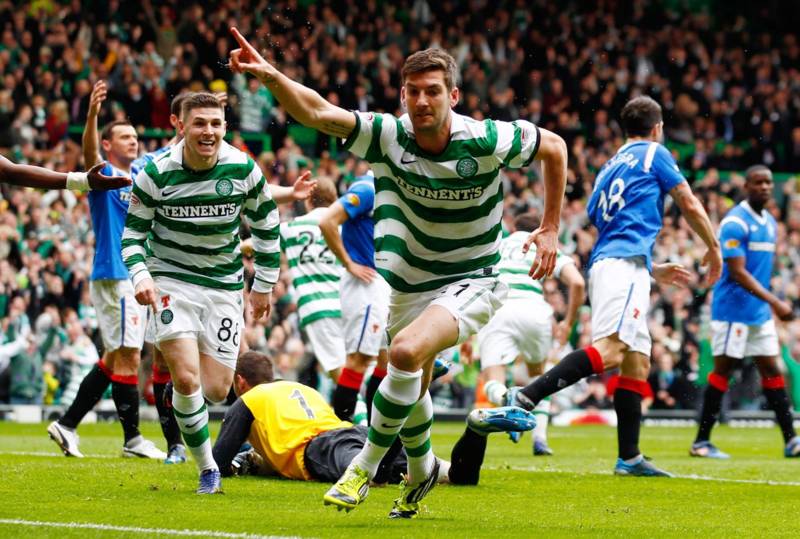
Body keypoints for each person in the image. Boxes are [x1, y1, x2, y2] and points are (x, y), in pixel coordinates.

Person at [229, 28, 567, 518]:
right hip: (408, 285)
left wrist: (551, 227)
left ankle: (362, 468)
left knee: (404, 353)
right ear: (403, 95)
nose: (423, 101)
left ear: (453, 96)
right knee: (414, 385)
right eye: (414, 92)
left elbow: (554, 146)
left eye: (433, 91)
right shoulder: (388, 135)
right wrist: (270, 76)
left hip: (474, 276)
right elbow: (319, 112)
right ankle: (423, 465)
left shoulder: (486, 137)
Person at [511, 95, 723, 477]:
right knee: (611, 350)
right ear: (657, 128)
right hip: (622, 268)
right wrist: (713, 246)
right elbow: (688, 202)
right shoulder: (654, 153)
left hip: (617, 264)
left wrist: (651, 266)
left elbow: (603, 220)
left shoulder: (608, 167)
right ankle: (528, 395)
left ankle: (630, 457)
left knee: (637, 360)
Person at [122, 92, 280, 494]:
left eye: (215, 123)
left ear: (225, 127)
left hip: (224, 285)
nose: (208, 131)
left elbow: (266, 224)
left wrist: (263, 285)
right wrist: (141, 276)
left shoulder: (242, 168)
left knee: (215, 388)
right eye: (199, 123)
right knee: (187, 377)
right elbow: (133, 237)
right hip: (171, 281)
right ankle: (208, 468)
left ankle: (182, 401)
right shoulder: (156, 173)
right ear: (180, 125)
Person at [211, 351, 535, 495]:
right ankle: (476, 428)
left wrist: (231, 465)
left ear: (240, 382)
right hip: (355, 433)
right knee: (456, 477)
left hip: (320, 448)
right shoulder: (299, 388)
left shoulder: (248, 400)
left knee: (371, 478)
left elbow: (219, 461)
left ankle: (412, 388)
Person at [48, 80, 165, 460]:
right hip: (118, 274)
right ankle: (133, 440)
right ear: (109, 144)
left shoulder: (142, 170)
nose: (133, 142)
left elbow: (170, 150)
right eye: (125, 137)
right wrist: (93, 116)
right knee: (129, 355)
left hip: (127, 276)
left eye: (135, 137)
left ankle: (66, 424)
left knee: (115, 357)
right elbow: (88, 154)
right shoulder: (103, 176)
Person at [691, 165, 800, 459]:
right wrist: (776, 302)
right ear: (746, 186)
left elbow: (761, 269)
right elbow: (738, 273)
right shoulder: (735, 222)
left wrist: (769, 301)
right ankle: (701, 442)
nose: (764, 187)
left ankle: (791, 440)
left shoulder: (770, 222)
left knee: (772, 370)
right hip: (732, 313)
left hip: (758, 314)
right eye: (758, 182)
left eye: (768, 182)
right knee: (723, 372)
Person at [479, 212, 585, 456]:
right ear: (539, 229)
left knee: (492, 379)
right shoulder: (543, 244)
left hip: (498, 308)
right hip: (534, 309)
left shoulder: (497, 244)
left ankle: (508, 398)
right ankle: (540, 440)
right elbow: (578, 283)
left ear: (512, 227)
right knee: (539, 376)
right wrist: (568, 323)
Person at [318, 170, 391, 422]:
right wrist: (349, 263)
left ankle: (374, 431)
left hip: (380, 284)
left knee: (387, 361)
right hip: (364, 286)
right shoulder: (367, 189)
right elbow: (327, 221)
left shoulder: (388, 190)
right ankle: (342, 430)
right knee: (359, 360)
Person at [279, 177, 346, 384]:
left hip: (317, 307)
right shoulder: (346, 227)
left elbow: (258, 243)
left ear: (308, 200)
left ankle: (358, 406)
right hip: (350, 304)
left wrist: (242, 247)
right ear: (335, 199)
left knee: (338, 370)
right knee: (359, 367)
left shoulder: (290, 228)